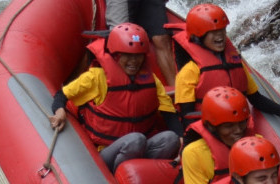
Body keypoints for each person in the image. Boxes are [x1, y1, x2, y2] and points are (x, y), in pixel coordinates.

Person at [49, 23, 182, 173]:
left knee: (171, 138)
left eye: (138, 55)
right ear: (116, 55)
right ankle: (116, 177)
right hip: (107, 151)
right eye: (127, 55)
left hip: (140, 147)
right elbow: (62, 95)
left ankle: (143, 174)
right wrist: (59, 111)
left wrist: (182, 137)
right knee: (135, 140)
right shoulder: (97, 77)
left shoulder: (151, 80)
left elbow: (168, 112)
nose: (134, 61)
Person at [172, 3, 280, 128]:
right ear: (198, 36)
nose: (220, 36)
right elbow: (187, 116)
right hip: (211, 128)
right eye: (213, 32)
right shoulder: (189, 72)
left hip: (236, 127)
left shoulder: (235, 63)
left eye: (222, 30)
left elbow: (256, 99)